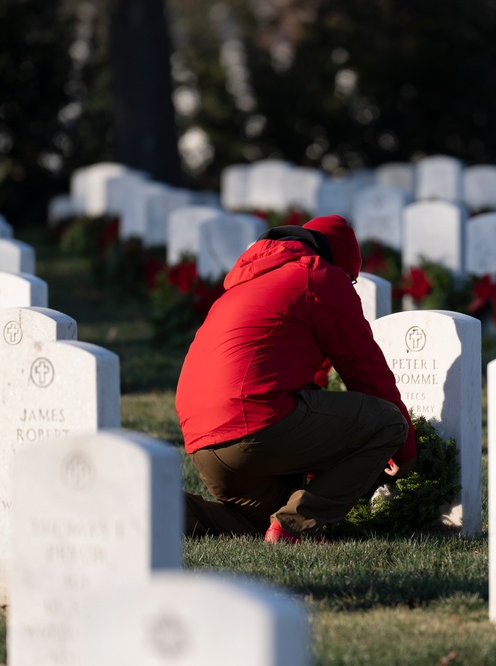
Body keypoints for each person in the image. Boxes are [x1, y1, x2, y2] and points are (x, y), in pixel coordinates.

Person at [175, 214, 416, 543]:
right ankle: (296, 525)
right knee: (387, 421)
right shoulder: (318, 275)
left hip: (203, 442)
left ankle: (155, 508)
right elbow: (364, 367)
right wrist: (405, 449)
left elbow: (304, 372)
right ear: (340, 265)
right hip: (255, 425)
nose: (349, 286)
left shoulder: (249, 282)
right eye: (351, 278)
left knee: (253, 525)